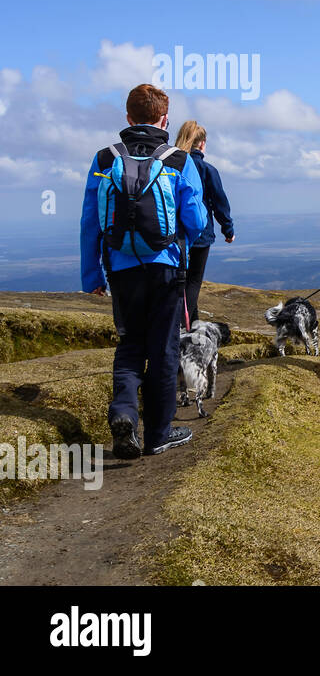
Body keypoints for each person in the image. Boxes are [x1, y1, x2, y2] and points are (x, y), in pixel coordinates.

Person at [80, 84, 207, 459]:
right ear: (164, 119)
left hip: (120, 268)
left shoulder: (104, 159)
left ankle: (123, 414)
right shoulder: (179, 161)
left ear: (128, 118)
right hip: (166, 268)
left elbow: (90, 222)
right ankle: (158, 433)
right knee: (164, 349)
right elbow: (196, 221)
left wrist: (92, 276)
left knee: (131, 344)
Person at [173, 120, 234, 322]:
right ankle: (184, 328)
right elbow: (219, 202)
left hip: (172, 233)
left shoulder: (171, 166)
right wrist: (228, 229)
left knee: (179, 281)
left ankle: (193, 322)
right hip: (200, 233)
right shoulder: (208, 170)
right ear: (202, 144)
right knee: (193, 281)